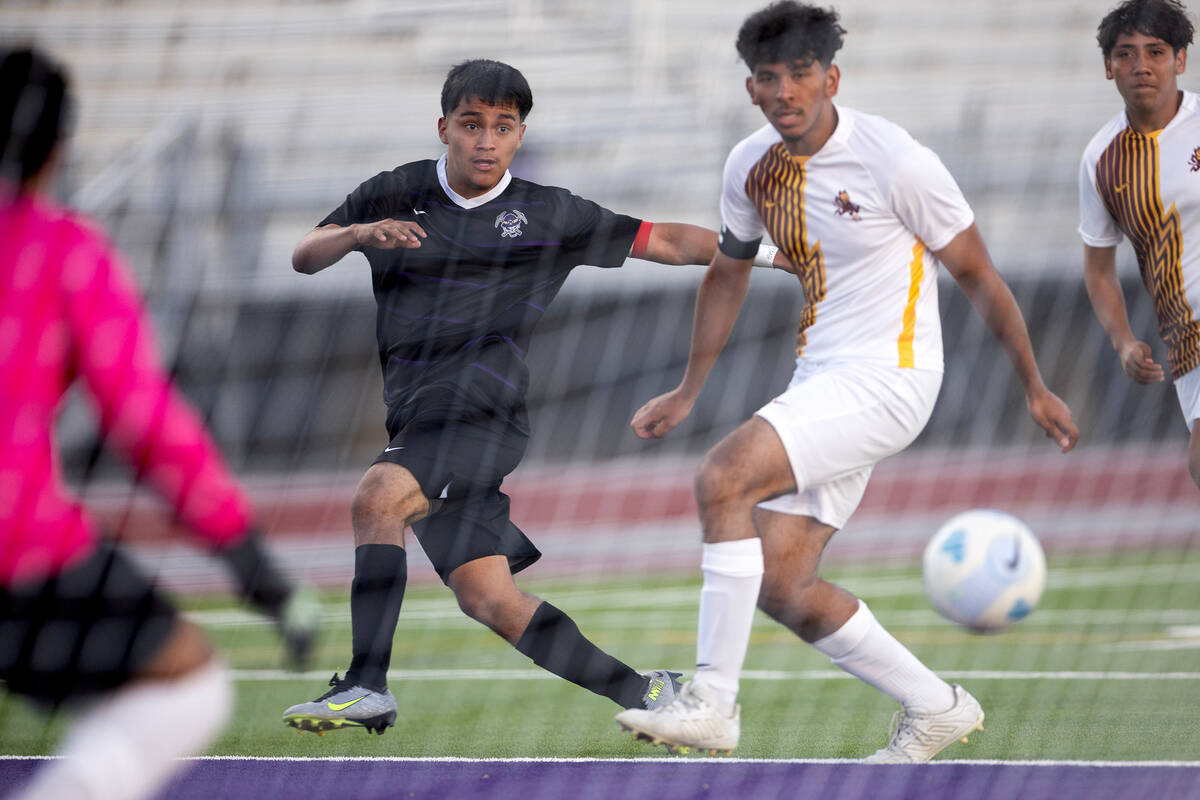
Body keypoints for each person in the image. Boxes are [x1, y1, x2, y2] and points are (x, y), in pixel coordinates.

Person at [614, 1, 1078, 762]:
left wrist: (1034, 383)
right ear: (751, 90)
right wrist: (688, 390)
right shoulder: (749, 168)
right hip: (823, 379)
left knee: (723, 478)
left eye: (801, 74)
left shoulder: (898, 161)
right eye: (770, 78)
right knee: (783, 581)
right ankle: (936, 708)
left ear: (832, 77)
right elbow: (728, 274)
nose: (786, 90)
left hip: (893, 376)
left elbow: (977, 273)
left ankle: (712, 704)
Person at [281, 58, 791, 736]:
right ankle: (649, 693)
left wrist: (772, 255)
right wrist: (355, 234)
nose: (486, 141)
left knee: (377, 499)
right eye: (471, 125)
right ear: (444, 128)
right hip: (416, 416)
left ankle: (365, 684)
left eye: (503, 126)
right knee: (489, 598)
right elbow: (305, 254)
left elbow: (665, 239)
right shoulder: (394, 193)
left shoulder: (548, 212)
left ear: (520, 134)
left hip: (481, 418)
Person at [0, 46, 317, 799]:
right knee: (187, 685)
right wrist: (249, 560)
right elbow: (143, 421)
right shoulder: (58, 250)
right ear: (59, 151)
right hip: (19, 549)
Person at [1080, 0, 1199, 488]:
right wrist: (1123, 339)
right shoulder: (1101, 160)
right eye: (1126, 54)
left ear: (1180, 60)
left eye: (1155, 51)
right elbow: (1098, 269)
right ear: (1109, 68)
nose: (1141, 65)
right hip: (1188, 339)